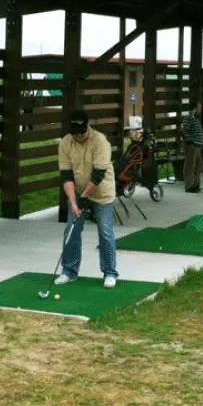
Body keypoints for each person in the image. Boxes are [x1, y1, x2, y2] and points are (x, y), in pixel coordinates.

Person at [56, 111, 118, 289]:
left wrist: (84, 197)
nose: (78, 137)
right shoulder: (66, 143)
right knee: (71, 230)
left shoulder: (100, 141)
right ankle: (69, 271)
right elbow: (66, 176)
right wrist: (74, 203)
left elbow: (98, 175)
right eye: (75, 133)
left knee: (105, 231)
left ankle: (110, 272)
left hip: (102, 192)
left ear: (87, 127)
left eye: (81, 133)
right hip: (77, 191)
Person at [181, 102, 203, 193]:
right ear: (195, 108)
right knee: (190, 166)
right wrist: (189, 141)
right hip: (192, 145)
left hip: (198, 146)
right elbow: (184, 130)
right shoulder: (188, 118)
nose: (201, 110)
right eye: (200, 108)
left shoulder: (196, 119)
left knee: (199, 165)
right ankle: (189, 186)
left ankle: (196, 185)